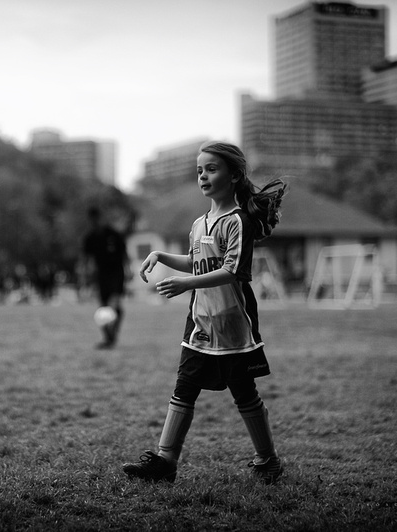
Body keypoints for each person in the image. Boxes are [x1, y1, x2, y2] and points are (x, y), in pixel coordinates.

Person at [122, 141, 286, 485]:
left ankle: (267, 460)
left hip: (233, 324)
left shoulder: (237, 221)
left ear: (234, 175)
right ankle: (165, 461)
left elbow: (232, 270)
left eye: (211, 169)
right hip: (200, 323)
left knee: (244, 393)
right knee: (184, 386)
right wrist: (162, 257)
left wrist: (188, 283)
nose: (203, 176)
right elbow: (197, 261)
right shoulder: (200, 223)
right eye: (199, 170)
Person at [82, 207, 130, 349]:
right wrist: (85, 274)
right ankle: (109, 337)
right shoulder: (90, 237)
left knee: (112, 304)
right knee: (104, 309)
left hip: (116, 272)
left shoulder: (113, 234)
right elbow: (86, 258)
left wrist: (129, 269)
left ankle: (110, 338)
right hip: (101, 274)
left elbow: (124, 252)